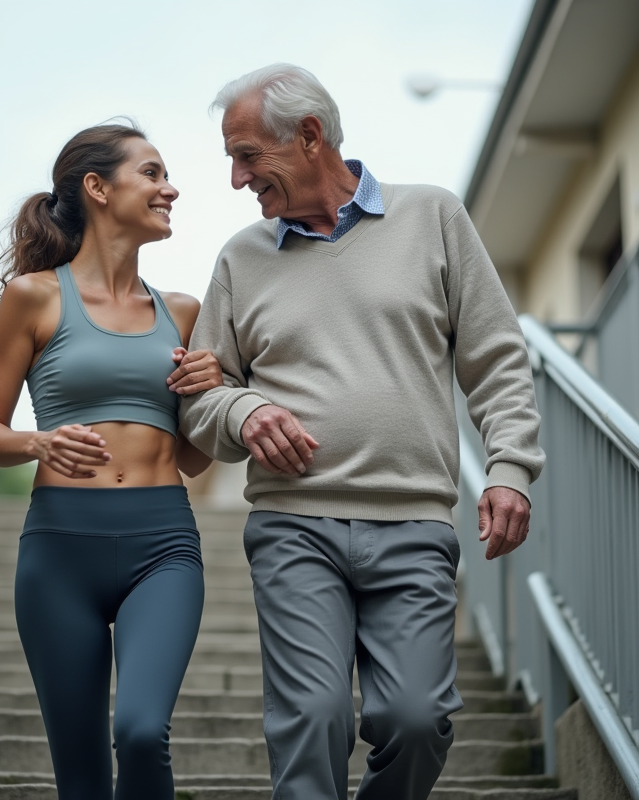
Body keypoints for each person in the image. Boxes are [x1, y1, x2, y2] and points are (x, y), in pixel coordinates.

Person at [180, 65, 546, 799]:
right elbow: (200, 400)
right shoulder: (241, 258)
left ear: (309, 135)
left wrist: (510, 468)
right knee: (313, 717)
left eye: (248, 155)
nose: (236, 178)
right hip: (293, 526)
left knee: (417, 720)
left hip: (412, 521)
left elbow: (498, 358)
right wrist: (245, 412)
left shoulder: (433, 218)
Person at [0, 123, 223, 800]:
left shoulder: (184, 312)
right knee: (80, 777)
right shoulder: (34, 297)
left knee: (141, 730)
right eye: (151, 172)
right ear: (98, 188)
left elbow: (197, 460)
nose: (169, 188)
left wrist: (214, 391)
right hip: (59, 548)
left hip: (162, 543)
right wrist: (38, 442)